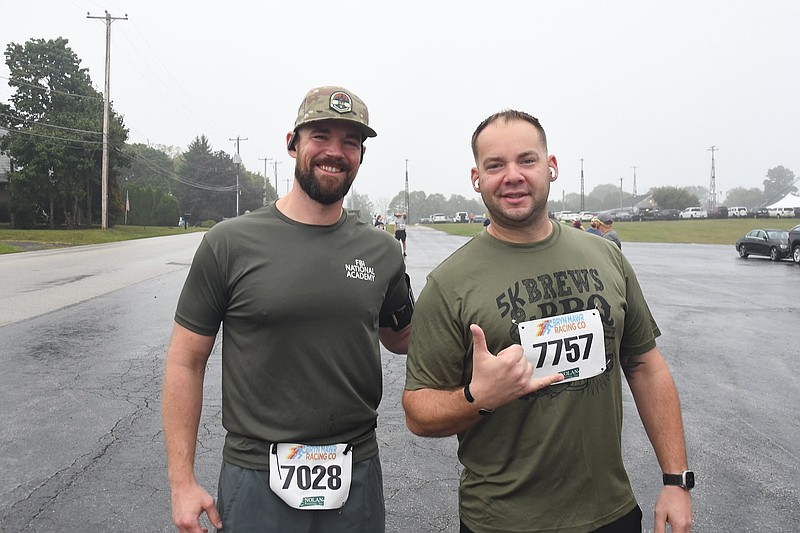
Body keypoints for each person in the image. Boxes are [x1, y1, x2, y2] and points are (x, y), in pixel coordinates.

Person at [403, 110, 693, 533]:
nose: (513, 176)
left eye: (527, 160)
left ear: (551, 167)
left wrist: (676, 480)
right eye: (495, 165)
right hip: (502, 520)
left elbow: (645, 365)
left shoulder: (606, 256)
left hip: (610, 512)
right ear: (476, 177)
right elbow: (416, 412)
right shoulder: (450, 285)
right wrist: (477, 396)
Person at [163, 86, 414, 533]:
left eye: (350, 142)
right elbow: (186, 361)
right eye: (320, 136)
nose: (335, 152)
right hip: (256, 476)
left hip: (355, 475)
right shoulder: (229, 243)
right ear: (292, 142)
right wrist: (181, 481)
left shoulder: (381, 252)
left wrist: (475, 316)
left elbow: (402, 337)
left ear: (360, 155)